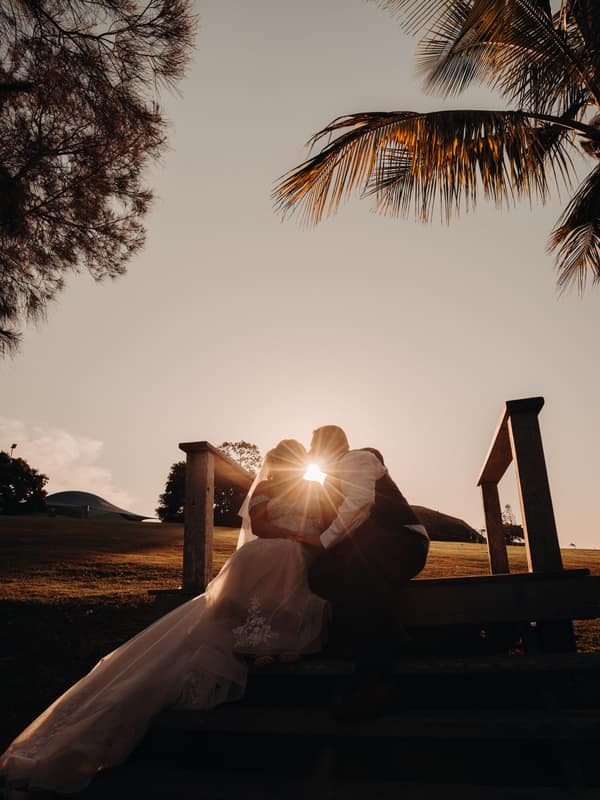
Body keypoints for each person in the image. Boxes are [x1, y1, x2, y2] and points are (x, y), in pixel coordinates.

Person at [0, 441, 329, 795]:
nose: (288, 467)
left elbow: (325, 525)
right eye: (284, 461)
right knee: (274, 554)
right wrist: (296, 535)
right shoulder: (266, 488)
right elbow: (262, 526)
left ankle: (273, 633)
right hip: (274, 551)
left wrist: (308, 540)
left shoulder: (313, 490)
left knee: (288, 558)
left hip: (299, 556)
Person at [289, 425, 430, 719]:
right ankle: (367, 648)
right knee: (320, 575)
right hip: (373, 548)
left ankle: (379, 675)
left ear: (328, 446)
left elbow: (360, 504)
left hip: (403, 541)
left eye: (314, 446)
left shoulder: (357, 459)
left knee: (355, 574)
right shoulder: (330, 480)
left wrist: (324, 540)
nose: (311, 453)